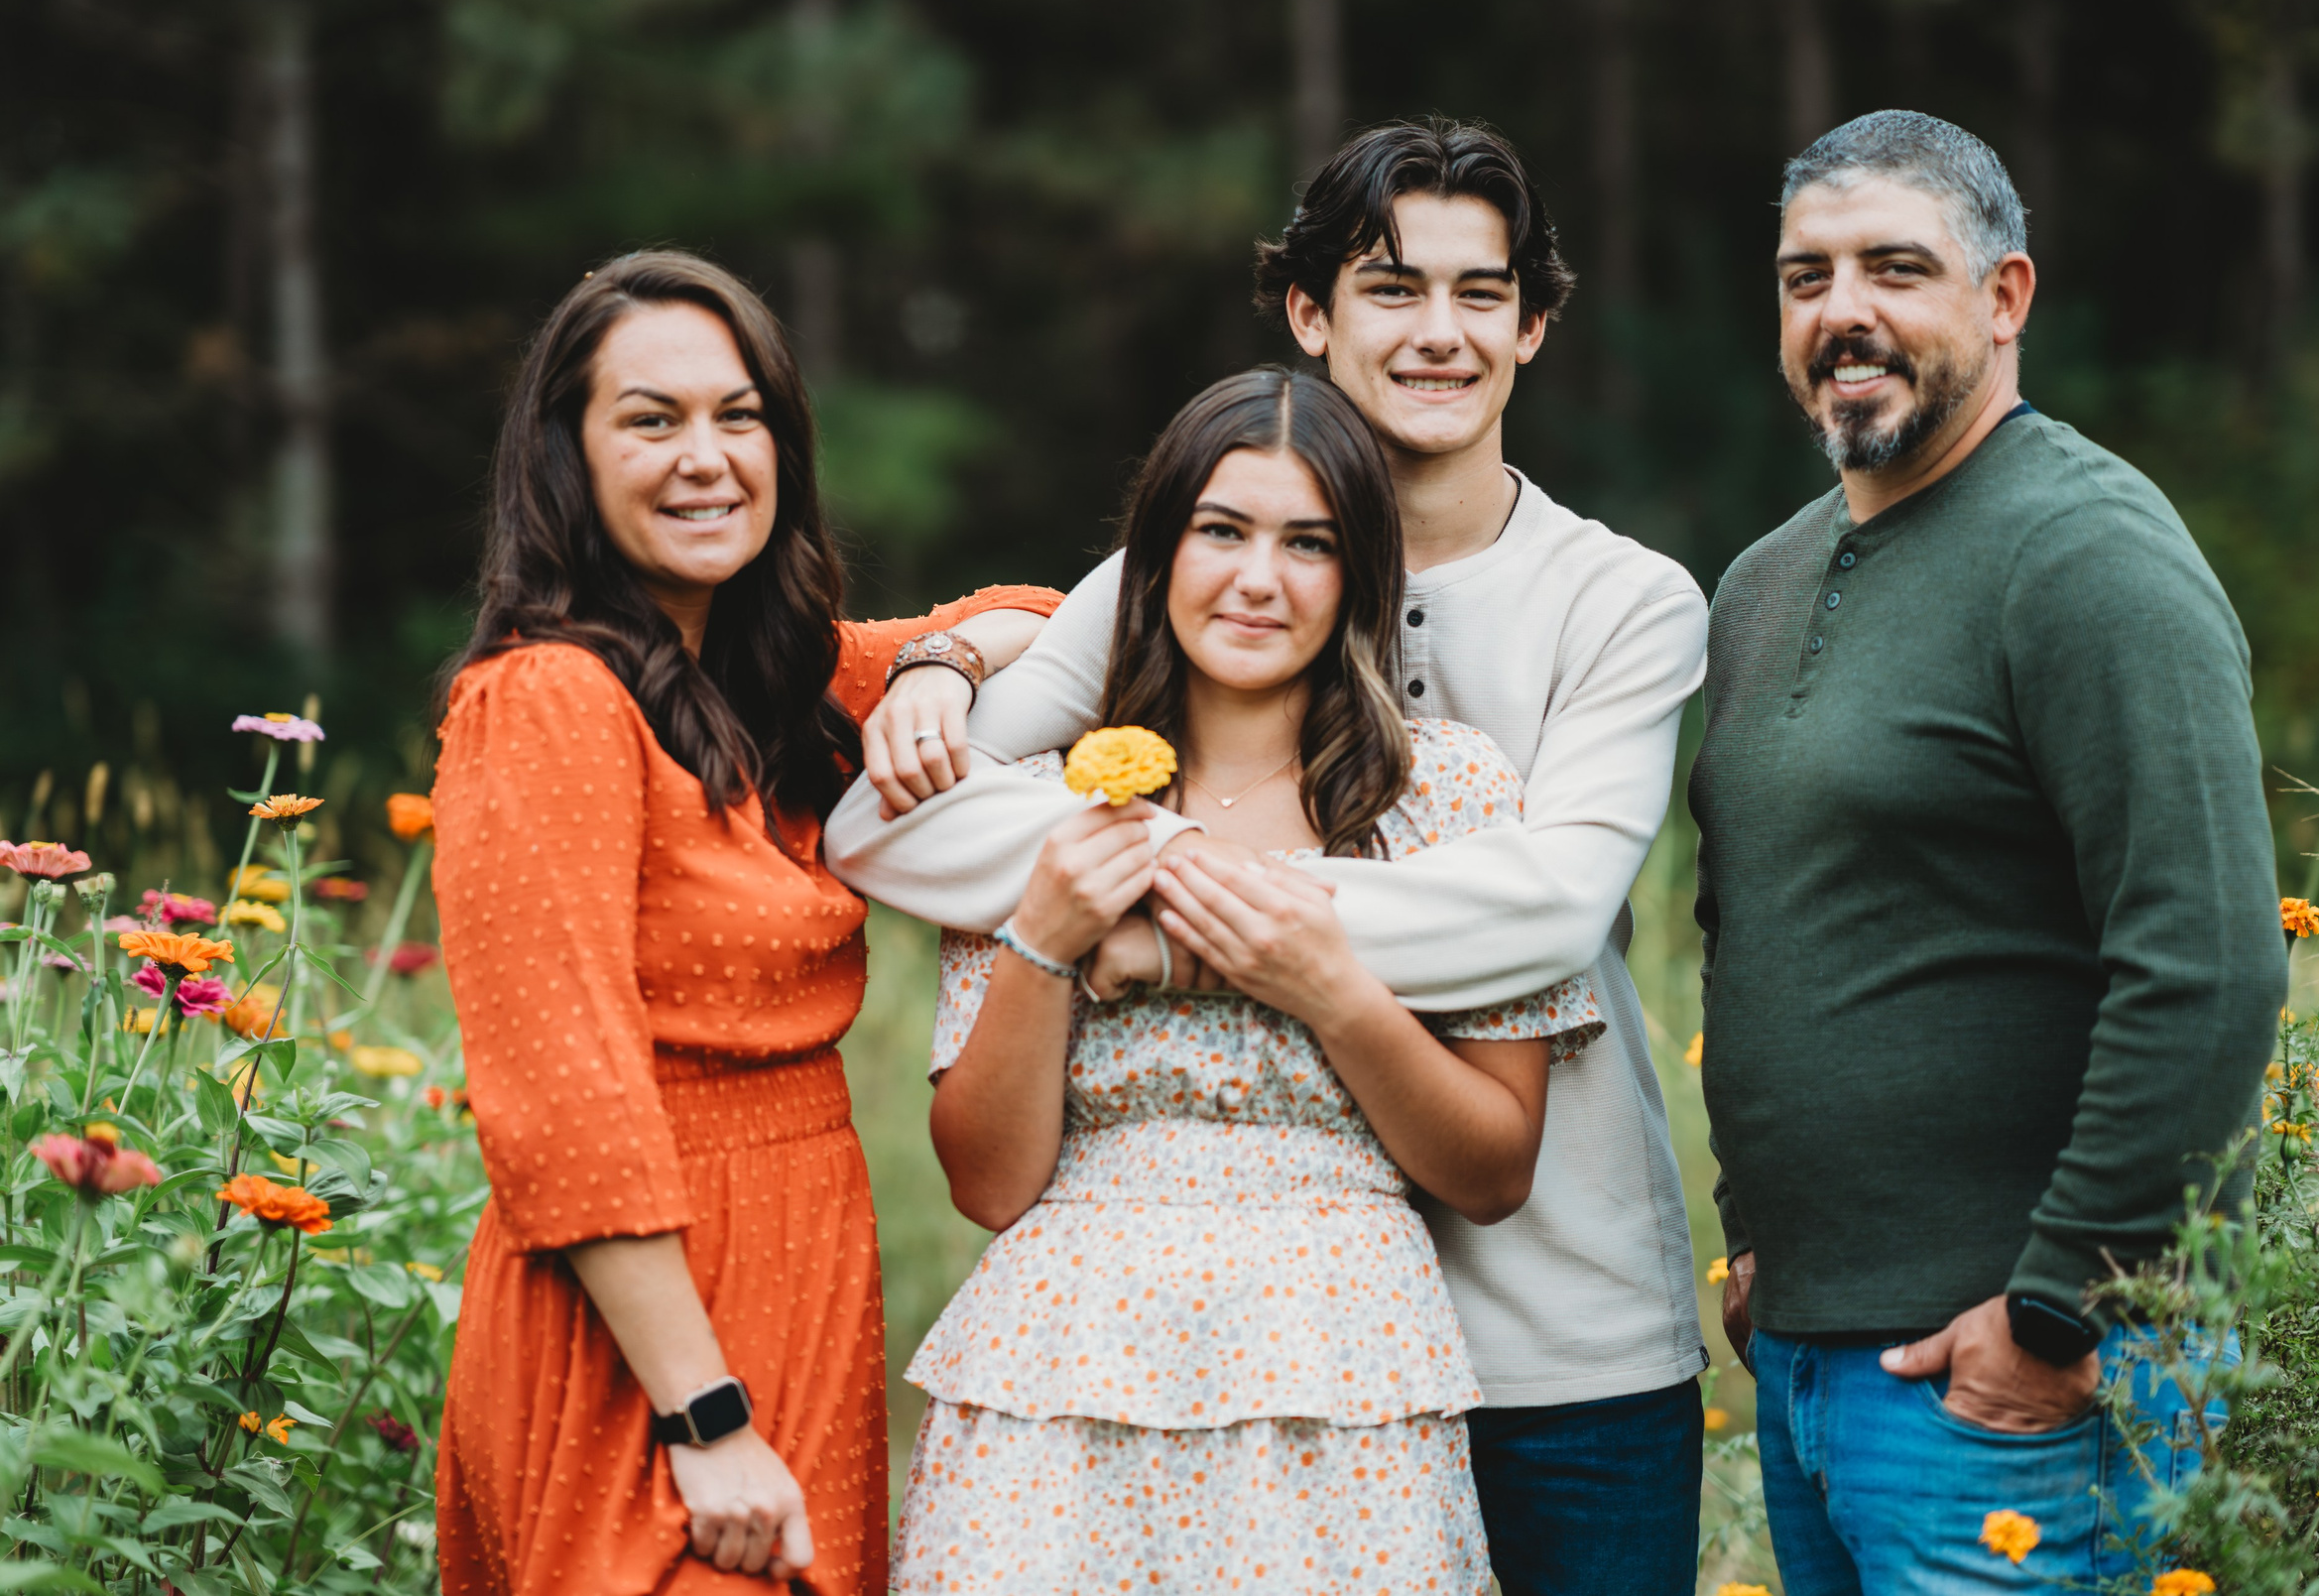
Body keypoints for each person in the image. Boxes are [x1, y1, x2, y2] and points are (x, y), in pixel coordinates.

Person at [827, 117, 1710, 1595]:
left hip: (1559, 1321)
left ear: (1533, 323)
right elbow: (904, 825)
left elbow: (1549, 903)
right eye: (1387, 286)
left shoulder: (1622, 600)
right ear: (1310, 315)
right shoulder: (1175, 571)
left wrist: (1172, 935)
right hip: (1131, 1354)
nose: (1438, 332)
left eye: (1480, 293)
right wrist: (946, 657)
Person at [1691, 109, 2281, 1592]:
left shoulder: (2088, 554)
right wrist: (1759, 1241)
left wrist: (2062, 1307)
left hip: (2014, 1393)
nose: (1845, 313)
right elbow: (1754, 922)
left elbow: (2206, 961)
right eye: (1805, 276)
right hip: (1818, 1369)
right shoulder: (1762, 581)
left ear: (2004, 297)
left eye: (1896, 267)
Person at [892, 365, 1602, 1593]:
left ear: (1362, 576)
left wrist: (1332, 990)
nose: (1259, 579)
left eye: (1309, 542)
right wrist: (1044, 937)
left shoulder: (1449, 796)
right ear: (1155, 559)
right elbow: (989, 1183)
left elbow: (1492, 1171)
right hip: (1063, 1378)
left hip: (1343, 1377)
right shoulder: (1046, 802)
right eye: (1220, 531)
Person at [428, 250, 1060, 1596]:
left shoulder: (778, 677)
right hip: (643, 1319)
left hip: (806, 1258)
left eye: (740, 414)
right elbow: (564, 1098)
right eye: (650, 420)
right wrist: (702, 1415)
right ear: (566, 460)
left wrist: (939, 670)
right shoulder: (547, 698)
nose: (705, 456)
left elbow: (1046, 619)